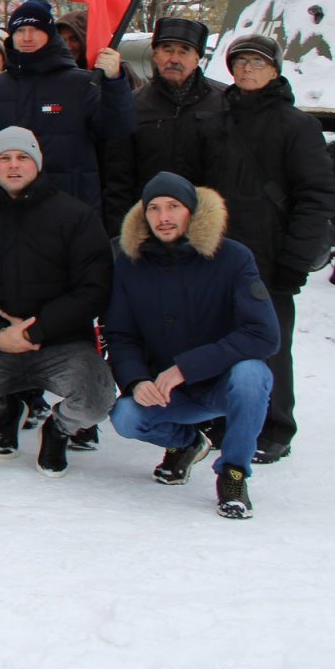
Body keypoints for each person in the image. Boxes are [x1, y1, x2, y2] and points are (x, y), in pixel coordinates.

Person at [0, 127, 116, 475]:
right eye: (4, 158)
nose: (13, 165)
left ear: (37, 163)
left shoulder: (76, 216)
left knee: (96, 400)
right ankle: (4, 414)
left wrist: (36, 331)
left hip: (61, 344)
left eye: (22, 157)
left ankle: (59, 429)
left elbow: (94, 289)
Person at [106, 172, 279, 519]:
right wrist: (137, 381)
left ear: (192, 212)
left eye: (173, 206)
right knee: (125, 417)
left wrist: (188, 367)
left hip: (221, 384)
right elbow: (121, 335)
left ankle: (233, 475)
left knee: (252, 375)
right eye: (153, 208)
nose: (163, 217)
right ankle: (187, 443)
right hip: (168, 393)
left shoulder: (233, 257)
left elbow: (264, 334)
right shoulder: (129, 261)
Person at [208, 32, 335, 463]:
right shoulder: (217, 120)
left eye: (257, 62)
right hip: (221, 251)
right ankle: (229, 415)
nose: (246, 69)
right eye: (240, 61)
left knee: (272, 343)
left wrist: (295, 260)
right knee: (223, 337)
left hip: (270, 253)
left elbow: (316, 196)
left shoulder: (297, 125)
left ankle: (275, 425)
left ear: (275, 69)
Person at [0, 0, 133, 231]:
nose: (27, 37)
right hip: (12, 210)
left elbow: (116, 128)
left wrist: (115, 82)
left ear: (50, 34)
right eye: (20, 30)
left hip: (73, 209)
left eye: (35, 30)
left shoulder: (81, 85)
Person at [105, 16, 223, 216]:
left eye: (183, 51)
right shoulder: (133, 106)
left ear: (197, 59)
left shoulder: (223, 103)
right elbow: (118, 175)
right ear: (156, 55)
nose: (174, 59)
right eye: (167, 50)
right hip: (152, 220)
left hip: (206, 222)